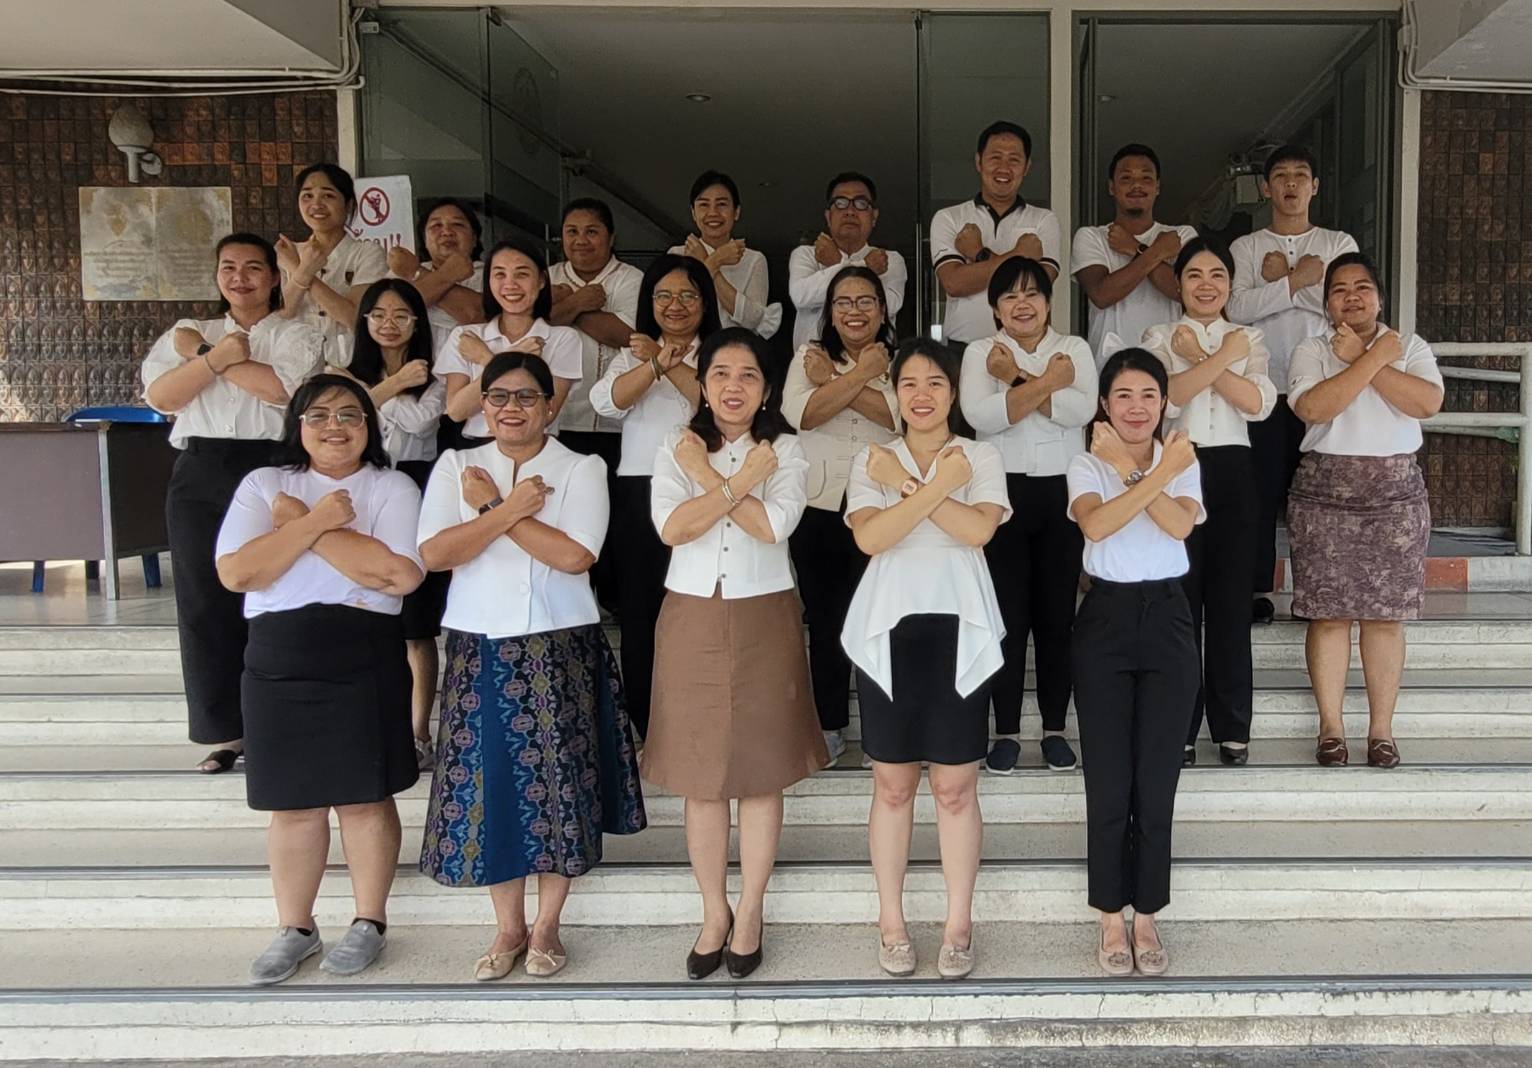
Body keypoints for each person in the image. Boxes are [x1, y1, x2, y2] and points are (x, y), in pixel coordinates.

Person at [416, 351, 646, 980]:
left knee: (559, 785)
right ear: (482, 405)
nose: (510, 409)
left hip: (558, 642)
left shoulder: (581, 467)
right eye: (497, 397)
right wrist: (512, 510)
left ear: (550, 406)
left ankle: (547, 926)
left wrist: (494, 512)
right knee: (491, 786)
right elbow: (436, 554)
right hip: (480, 643)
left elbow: (575, 556)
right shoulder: (457, 465)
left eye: (525, 398)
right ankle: (508, 926)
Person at [214, 374, 425, 984]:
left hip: (361, 650)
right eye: (320, 415)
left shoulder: (391, 485)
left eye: (351, 415)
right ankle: (296, 928)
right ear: (298, 425)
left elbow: (395, 576)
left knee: (364, 798)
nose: (335, 426)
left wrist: (299, 526)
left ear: (370, 426)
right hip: (279, 654)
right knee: (293, 805)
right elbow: (238, 573)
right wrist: (314, 524)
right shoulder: (265, 484)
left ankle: (369, 922)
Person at [643, 327, 826, 980]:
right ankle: (713, 909)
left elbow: (773, 527)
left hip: (764, 612)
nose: (732, 386)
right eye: (720, 373)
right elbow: (673, 528)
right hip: (690, 612)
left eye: (747, 375)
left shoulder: (787, 450)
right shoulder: (677, 446)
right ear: (703, 382)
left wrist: (717, 484)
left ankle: (750, 908)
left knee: (761, 769)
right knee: (700, 775)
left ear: (767, 388)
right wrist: (727, 479)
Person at [842, 338, 1011, 981]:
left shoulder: (981, 455)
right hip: (889, 629)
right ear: (894, 393)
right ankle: (891, 921)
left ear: (953, 393)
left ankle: (958, 923)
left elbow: (977, 532)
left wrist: (913, 486)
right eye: (908, 382)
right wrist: (934, 486)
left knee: (955, 787)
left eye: (935, 382)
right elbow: (872, 537)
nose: (921, 394)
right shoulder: (871, 457)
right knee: (892, 785)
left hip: (958, 629)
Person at [141, 233, 324, 774]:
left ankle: (280, 721)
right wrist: (213, 354)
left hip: (274, 467)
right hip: (200, 471)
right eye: (228, 268)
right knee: (204, 598)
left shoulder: (296, 333)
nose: (240, 277)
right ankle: (225, 731)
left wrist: (205, 359)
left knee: (278, 593)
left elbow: (282, 389)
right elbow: (162, 398)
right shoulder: (186, 333)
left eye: (252, 268)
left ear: (273, 277)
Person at [1066, 348, 1204, 977]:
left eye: (1149, 394)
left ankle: (1146, 913)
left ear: (1163, 402)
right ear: (1103, 404)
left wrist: (1136, 473)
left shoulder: (1183, 461)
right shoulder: (1086, 462)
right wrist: (1135, 471)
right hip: (1106, 620)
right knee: (1108, 776)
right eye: (1123, 395)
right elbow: (1098, 527)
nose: (1137, 406)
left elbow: (1177, 527)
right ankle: (1109, 918)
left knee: (1156, 778)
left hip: (1169, 617)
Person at [1287, 253, 1443, 770]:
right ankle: (1331, 727)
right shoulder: (1311, 348)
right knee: (1329, 616)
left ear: (1379, 296)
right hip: (1325, 491)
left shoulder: (1411, 345)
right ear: (1325, 301)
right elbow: (1314, 408)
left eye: (1363, 287)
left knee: (1384, 617)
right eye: (1339, 289)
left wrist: (1370, 354)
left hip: (1395, 492)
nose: (1352, 297)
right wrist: (1372, 358)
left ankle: (1381, 730)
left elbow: (1426, 404)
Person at [957, 257, 1097, 774]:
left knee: (1058, 618)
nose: (1023, 304)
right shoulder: (978, 353)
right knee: (1008, 620)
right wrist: (1046, 385)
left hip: (1063, 494)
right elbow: (983, 416)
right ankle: (1008, 731)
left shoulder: (1075, 349)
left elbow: (1080, 411)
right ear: (994, 307)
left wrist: (1015, 377)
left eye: (1032, 294)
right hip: (1000, 494)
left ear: (1048, 302)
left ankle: (1057, 729)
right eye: (1010, 296)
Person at [1142, 239, 1275, 767]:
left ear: (1228, 282)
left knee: (1229, 605)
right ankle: (1181, 728)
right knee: (1180, 606)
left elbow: (1258, 403)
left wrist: (1202, 356)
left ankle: (1232, 727)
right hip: (1179, 468)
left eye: (1216, 274)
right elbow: (1169, 397)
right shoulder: (1157, 335)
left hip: (1235, 473)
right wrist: (1223, 360)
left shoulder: (1251, 336)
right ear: (1178, 283)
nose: (1205, 284)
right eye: (1194, 274)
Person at [589, 255, 723, 739]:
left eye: (688, 295)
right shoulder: (633, 355)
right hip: (639, 491)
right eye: (663, 296)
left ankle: (700, 717)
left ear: (705, 303)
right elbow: (609, 402)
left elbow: (715, 403)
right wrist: (653, 363)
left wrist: (672, 365)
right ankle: (646, 723)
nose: (675, 305)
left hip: (705, 490)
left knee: (701, 611)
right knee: (642, 613)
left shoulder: (719, 354)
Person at [1228, 145, 1359, 625]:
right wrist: (1301, 283)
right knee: (1258, 493)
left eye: (1300, 175)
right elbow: (1237, 310)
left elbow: (1343, 306)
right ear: (1265, 187)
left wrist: (1281, 281)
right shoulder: (1245, 247)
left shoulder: (1338, 242)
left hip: (1322, 387)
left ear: (1315, 186)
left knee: (1319, 493)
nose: (1290, 184)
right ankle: (1258, 590)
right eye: (1280, 176)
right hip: (1261, 387)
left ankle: (1317, 590)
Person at [780, 266, 900, 764]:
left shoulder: (904, 360)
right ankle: (829, 724)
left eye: (865, 300)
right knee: (826, 621)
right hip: (819, 506)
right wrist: (859, 375)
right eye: (843, 302)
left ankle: (884, 729)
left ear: (883, 308)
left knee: (882, 620)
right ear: (829, 312)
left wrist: (836, 382)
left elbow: (898, 417)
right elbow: (802, 414)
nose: (855, 311)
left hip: (885, 505)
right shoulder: (806, 357)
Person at [346, 278, 451, 769]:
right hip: (359, 488)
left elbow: (419, 424)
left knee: (415, 624)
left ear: (417, 322)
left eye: (401, 315)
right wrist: (392, 385)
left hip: (416, 487)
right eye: (379, 315)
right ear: (364, 323)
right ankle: (367, 726)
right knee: (362, 613)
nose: (389, 324)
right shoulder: (345, 375)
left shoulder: (437, 379)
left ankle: (417, 732)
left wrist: (378, 393)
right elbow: (348, 420)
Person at [434, 235, 583, 447]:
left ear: (541, 281)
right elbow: (457, 411)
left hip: (536, 449)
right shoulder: (465, 336)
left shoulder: (563, 339)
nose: (510, 284)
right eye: (500, 275)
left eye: (521, 274)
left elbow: (546, 414)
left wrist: (487, 359)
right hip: (475, 450)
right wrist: (517, 355)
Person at [930, 122, 1061, 348]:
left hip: (1027, 349)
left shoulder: (1044, 220)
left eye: (1014, 159)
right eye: (995, 158)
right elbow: (954, 283)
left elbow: (1040, 284)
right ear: (978, 162)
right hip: (963, 348)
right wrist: (1019, 255)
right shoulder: (949, 218)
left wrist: (979, 254)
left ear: (1027, 167)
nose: (1004, 167)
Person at [1072, 144, 1199, 366]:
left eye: (1146, 178)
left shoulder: (1182, 235)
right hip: (1110, 368)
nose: (1137, 185)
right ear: (1111, 187)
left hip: (1172, 368)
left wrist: (1135, 248)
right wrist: (1156, 251)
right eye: (1126, 178)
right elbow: (1102, 295)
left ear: (1158, 187)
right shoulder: (1091, 237)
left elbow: (1186, 293)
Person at [549, 197, 645, 472]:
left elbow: (625, 336)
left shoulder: (631, 278)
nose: (581, 240)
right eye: (572, 231)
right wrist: (578, 302)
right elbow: (534, 326)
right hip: (557, 418)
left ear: (611, 237)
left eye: (592, 231)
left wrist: (566, 309)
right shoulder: (547, 277)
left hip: (615, 423)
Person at [275, 163, 388, 367]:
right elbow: (282, 314)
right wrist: (301, 268)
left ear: (349, 205)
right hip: (295, 368)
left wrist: (299, 269)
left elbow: (353, 317)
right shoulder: (288, 252)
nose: (316, 204)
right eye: (307, 196)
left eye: (328, 196)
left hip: (349, 365)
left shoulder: (367, 253)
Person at [788, 172, 907, 351]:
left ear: (874, 216)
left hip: (872, 367)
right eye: (841, 203)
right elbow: (800, 297)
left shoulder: (889, 259)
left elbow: (890, 306)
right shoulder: (806, 254)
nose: (850, 211)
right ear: (828, 216)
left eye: (860, 203)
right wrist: (864, 268)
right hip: (812, 367)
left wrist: (837, 262)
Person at [670, 170, 780, 337]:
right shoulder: (676, 254)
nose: (713, 213)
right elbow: (676, 307)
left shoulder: (754, 259)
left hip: (733, 353)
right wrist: (715, 260)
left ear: (736, 212)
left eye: (721, 204)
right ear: (693, 212)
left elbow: (753, 320)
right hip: (687, 350)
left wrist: (708, 264)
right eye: (704, 205)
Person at [386, 197, 486, 353]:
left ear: (474, 239)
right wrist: (447, 275)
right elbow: (389, 316)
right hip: (412, 372)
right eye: (436, 225)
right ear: (424, 240)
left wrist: (416, 273)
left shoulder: (492, 275)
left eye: (458, 224)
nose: (446, 232)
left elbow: (476, 313)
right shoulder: (399, 273)